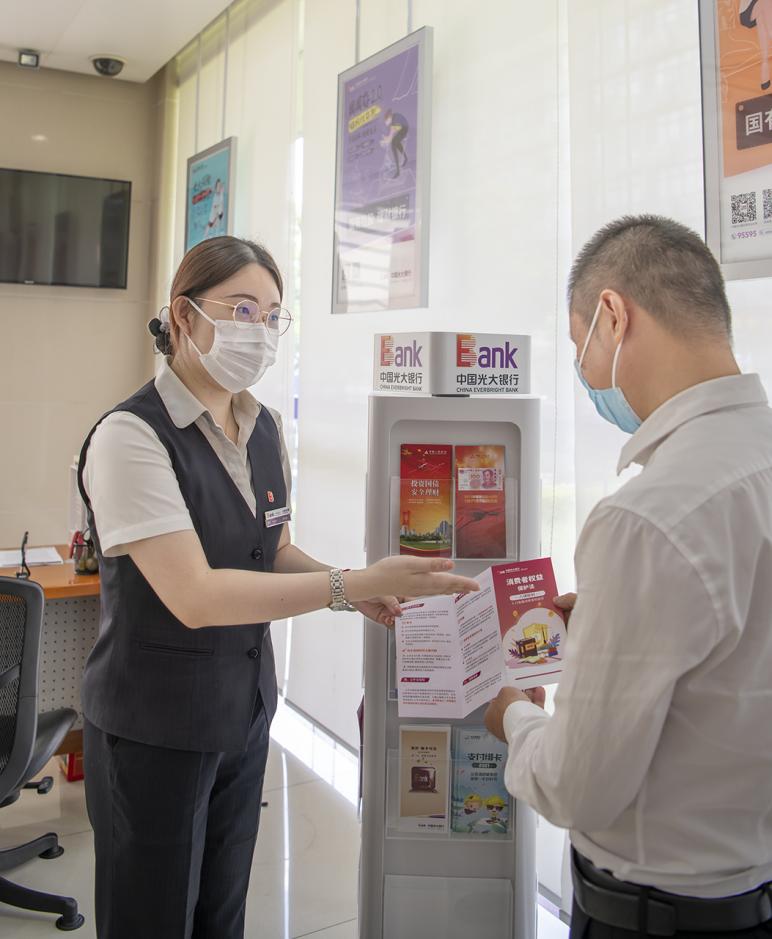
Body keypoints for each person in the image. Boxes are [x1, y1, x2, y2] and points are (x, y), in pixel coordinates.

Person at [78, 235, 479, 939]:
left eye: (271, 315)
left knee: (221, 910)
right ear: (184, 315)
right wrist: (347, 584)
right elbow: (196, 595)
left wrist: (353, 590)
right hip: (154, 725)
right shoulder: (131, 437)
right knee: (151, 916)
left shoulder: (261, 425)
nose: (258, 331)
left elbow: (275, 550)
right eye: (241, 309)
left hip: (241, 710)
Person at [484, 215, 772, 937]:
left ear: (613, 315)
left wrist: (512, 713)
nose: (585, 373)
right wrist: (617, 617)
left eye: (579, 343)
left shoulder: (644, 519)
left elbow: (575, 786)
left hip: (656, 912)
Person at [381, 109, 409, 178]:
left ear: (389, 117)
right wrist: (387, 138)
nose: (386, 123)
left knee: (393, 145)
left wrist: (385, 140)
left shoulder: (393, 121)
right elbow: (392, 134)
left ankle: (398, 171)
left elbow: (390, 136)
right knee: (396, 142)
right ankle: (405, 158)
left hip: (404, 129)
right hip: (403, 129)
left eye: (387, 120)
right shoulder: (394, 118)